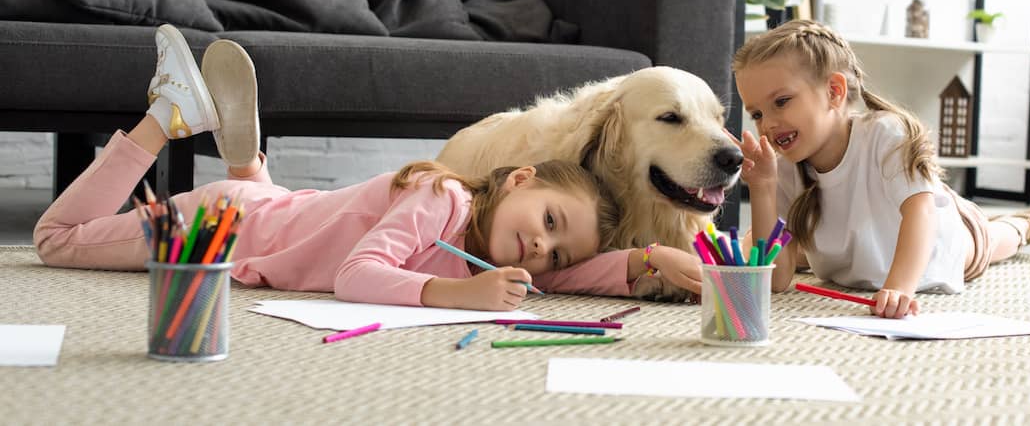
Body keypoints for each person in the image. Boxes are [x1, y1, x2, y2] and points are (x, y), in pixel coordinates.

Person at [33, 25, 625, 312]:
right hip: (218, 225)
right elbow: (355, 275)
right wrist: (455, 293)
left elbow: (565, 277)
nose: (541, 247)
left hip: (273, 213)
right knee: (57, 241)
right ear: (519, 178)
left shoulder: (492, 248)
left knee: (287, 217)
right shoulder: (442, 196)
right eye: (549, 220)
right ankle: (167, 114)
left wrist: (648, 264)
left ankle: (246, 167)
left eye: (556, 251)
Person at [731, 20, 1030, 319]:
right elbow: (776, 280)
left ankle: (1021, 226)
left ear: (834, 92)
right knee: (803, 248)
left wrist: (899, 287)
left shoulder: (885, 133)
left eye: (782, 101)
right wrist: (762, 188)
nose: (768, 124)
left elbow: (922, 214)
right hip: (859, 249)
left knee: (991, 243)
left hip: (940, 234)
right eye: (757, 114)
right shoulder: (786, 166)